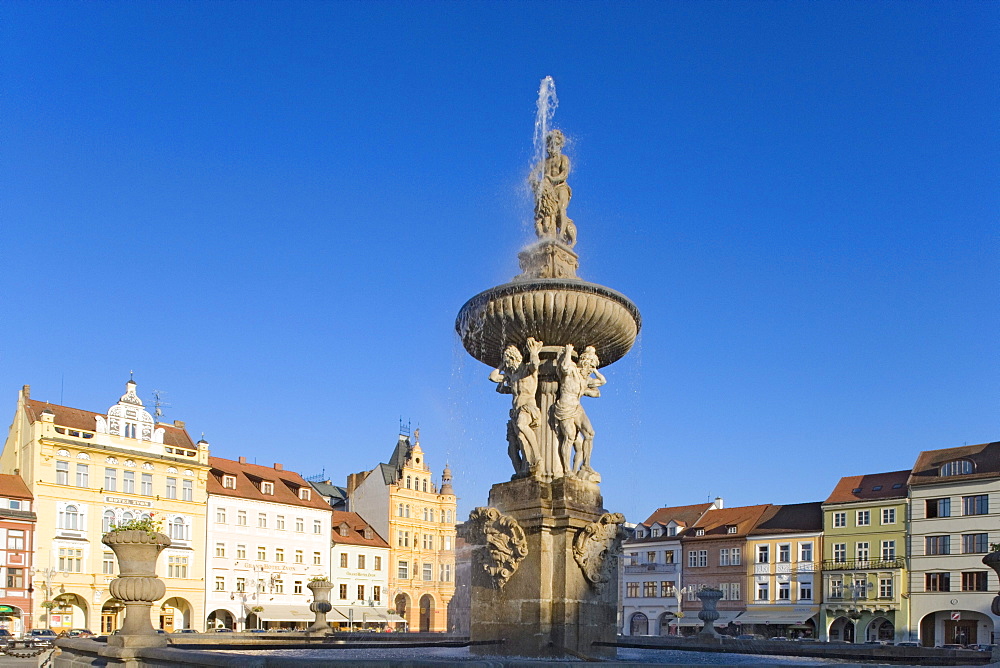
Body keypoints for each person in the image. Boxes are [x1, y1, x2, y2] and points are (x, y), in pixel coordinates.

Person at [489, 338, 543, 476]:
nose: (508, 364)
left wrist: (533, 352)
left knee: (521, 425)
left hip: (528, 406)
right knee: (520, 438)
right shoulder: (511, 376)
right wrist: (501, 365)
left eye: (509, 360)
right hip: (516, 410)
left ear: (515, 358)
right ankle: (527, 467)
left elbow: (535, 365)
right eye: (506, 362)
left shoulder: (527, 371)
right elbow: (493, 377)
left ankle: (537, 457)